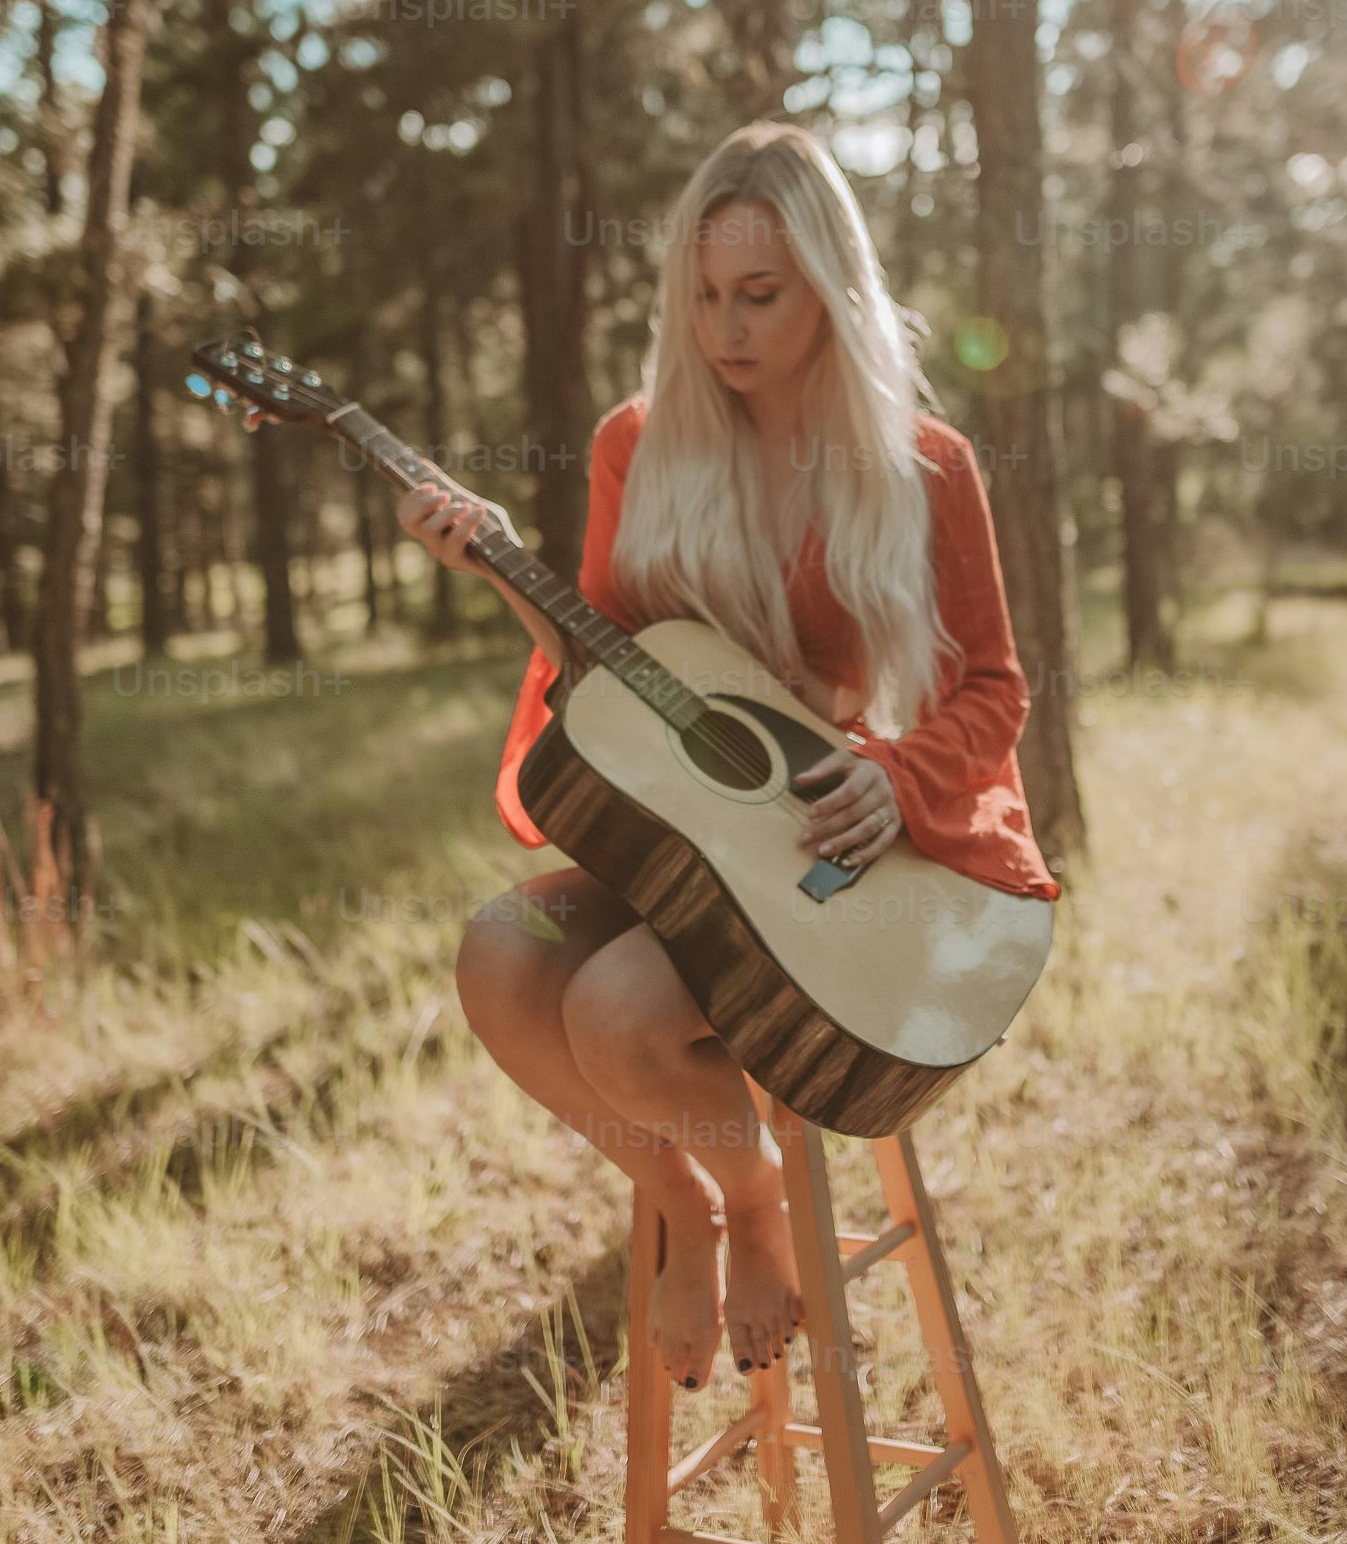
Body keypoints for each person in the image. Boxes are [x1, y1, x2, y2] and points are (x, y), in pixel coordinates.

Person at [397, 120, 1058, 1397]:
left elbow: (994, 686)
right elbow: (604, 652)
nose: (724, 327)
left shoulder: (927, 463)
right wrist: (485, 561)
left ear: (829, 284)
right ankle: (686, 1199)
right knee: (500, 948)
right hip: (678, 833)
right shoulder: (637, 444)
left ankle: (759, 1207)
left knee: (620, 1009)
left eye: (759, 294)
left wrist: (900, 776)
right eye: (702, 296)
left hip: (831, 841)